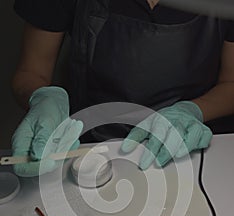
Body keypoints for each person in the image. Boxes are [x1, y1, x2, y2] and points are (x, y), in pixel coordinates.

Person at [12, 0, 234, 176]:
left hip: (189, 149)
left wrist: (191, 111)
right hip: (89, 151)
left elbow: (230, 83)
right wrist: (42, 98)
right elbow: (31, 73)